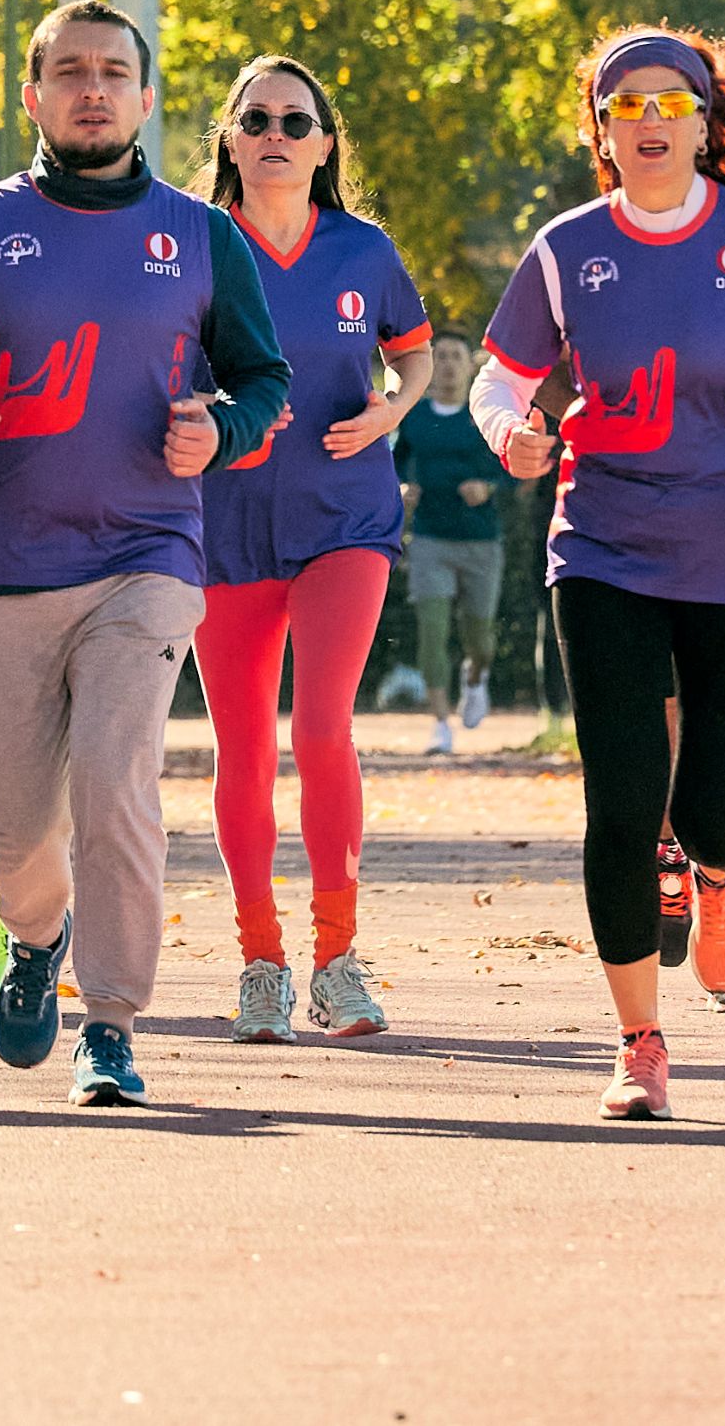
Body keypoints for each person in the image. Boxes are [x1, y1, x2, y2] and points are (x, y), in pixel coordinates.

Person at [0, 0, 292, 1110]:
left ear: (146, 99)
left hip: (146, 559)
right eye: (69, 72)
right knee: (16, 823)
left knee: (116, 785)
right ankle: (36, 943)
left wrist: (223, 428)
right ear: (32, 96)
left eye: (113, 72)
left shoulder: (200, 234)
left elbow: (264, 379)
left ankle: (112, 1023)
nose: (91, 88)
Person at [474, 27, 725, 1123]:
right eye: (626, 105)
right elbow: (496, 380)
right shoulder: (563, 250)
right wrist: (512, 430)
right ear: (600, 131)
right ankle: (637, 1042)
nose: (649, 121)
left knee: (718, 809)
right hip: (601, 544)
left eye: (670, 103)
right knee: (621, 797)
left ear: (702, 121)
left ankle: (723, 873)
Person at [194, 56, 430, 1044]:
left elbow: (411, 353)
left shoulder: (362, 251)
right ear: (231, 141)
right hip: (224, 523)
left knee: (321, 725)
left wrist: (395, 408)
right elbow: (148, 361)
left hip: (346, 518)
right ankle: (261, 962)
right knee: (244, 745)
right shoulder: (194, 246)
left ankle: (338, 961)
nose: (276, 134)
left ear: (324, 144)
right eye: (256, 119)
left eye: (296, 120)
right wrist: (203, 410)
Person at [381, 337, 503, 746]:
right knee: (431, 629)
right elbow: (391, 463)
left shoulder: (484, 414)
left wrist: (489, 487)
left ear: (471, 366)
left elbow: (512, 464)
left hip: (481, 541)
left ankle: (476, 676)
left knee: (480, 637)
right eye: (441, 356)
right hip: (430, 538)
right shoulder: (413, 418)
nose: (448, 364)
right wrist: (399, 487)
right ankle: (439, 724)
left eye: (456, 357)